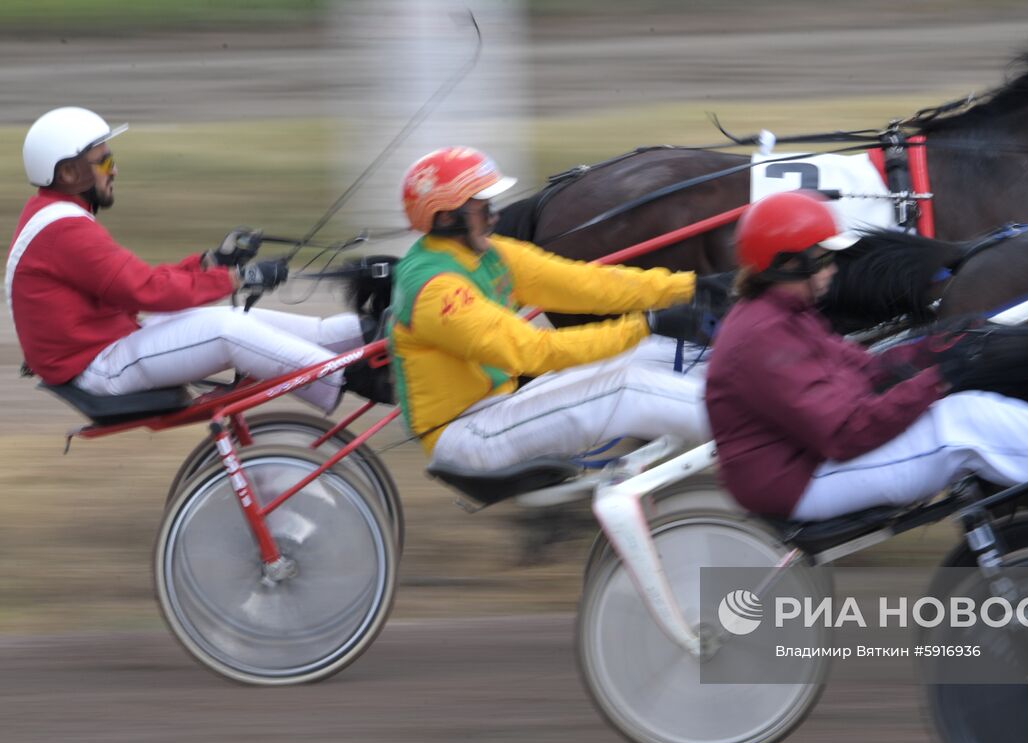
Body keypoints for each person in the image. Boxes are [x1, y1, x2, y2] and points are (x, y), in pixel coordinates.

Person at [704, 190, 1028, 522]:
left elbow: (863, 368)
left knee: (966, 399)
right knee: (960, 425)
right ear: (787, 262)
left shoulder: (783, 312)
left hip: (808, 460)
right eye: (824, 256)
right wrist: (937, 380)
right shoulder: (763, 336)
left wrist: (939, 345)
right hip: (795, 482)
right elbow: (844, 432)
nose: (834, 267)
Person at [6, 106, 367, 413]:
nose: (114, 170)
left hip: (106, 349)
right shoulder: (64, 230)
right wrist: (238, 278)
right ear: (69, 173)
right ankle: (349, 377)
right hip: (97, 368)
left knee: (236, 319)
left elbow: (137, 282)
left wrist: (213, 262)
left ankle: (365, 336)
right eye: (104, 162)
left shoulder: (55, 218)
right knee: (228, 331)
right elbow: (146, 290)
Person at [390, 146, 730, 470]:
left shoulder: (488, 254)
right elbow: (534, 352)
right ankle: (754, 432)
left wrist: (689, 287)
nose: (493, 216)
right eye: (482, 207)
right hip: (466, 436)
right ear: (448, 217)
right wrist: (647, 323)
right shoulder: (437, 291)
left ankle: (746, 397)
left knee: (654, 352)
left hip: (500, 406)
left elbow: (586, 284)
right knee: (627, 388)